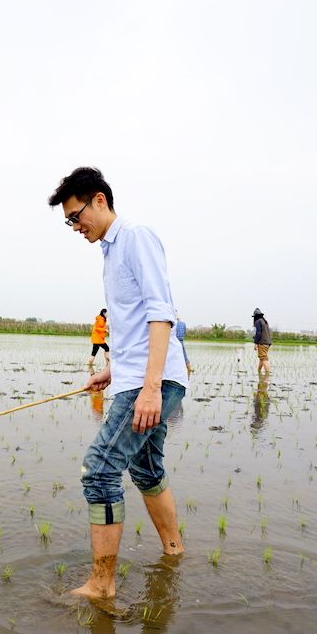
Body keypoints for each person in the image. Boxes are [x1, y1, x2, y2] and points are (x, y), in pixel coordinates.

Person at [48, 166, 188, 600]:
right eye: (69, 220)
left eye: (76, 216)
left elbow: (161, 313)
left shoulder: (135, 236)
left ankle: (102, 585)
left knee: (100, 469)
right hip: (139, 378)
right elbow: (131, 327)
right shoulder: (110, 252)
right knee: (146, 469)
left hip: (153, 384)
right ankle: (174, 552)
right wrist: (113, 372)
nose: (75, 226)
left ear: (99, 200)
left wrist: (148, 387)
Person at [252, 308, 272, 374]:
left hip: (262, 343)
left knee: (263, 359)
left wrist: (255, 343)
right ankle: (259, 371)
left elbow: (258, 333)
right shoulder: (264, 321)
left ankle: (268, 374)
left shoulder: (258, 322)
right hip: (267, 342)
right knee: (262, 358)